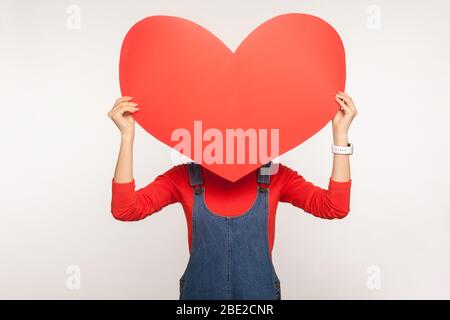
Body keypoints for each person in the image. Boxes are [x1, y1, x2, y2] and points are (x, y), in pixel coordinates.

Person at [108, 92, 358, 300]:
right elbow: (125, 209)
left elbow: (334, 206)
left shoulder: (274, 176)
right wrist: (127, 136)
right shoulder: (184, 177)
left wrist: (340, 137)